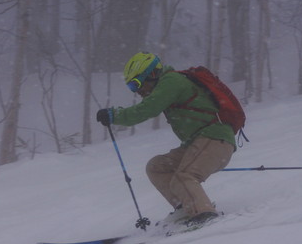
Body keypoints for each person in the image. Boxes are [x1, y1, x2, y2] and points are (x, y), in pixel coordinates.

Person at [96, 52, 236, 224]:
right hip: (199, 142)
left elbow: (147, 109)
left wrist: (114, 115)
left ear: (152, 74)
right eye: (132, 87)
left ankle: (204, 214)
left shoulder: (171, 82)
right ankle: (186, 208)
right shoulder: (167, 84)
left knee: (183, 176)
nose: (137, 91)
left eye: (136, 84)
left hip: (215, 138)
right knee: (156, 167)